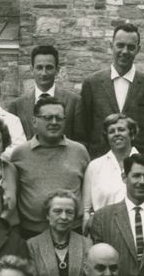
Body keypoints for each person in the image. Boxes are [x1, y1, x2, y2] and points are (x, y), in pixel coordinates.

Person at [79, 22, 144, 158]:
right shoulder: (92, 83)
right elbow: (83, 130)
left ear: (138, 49)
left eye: (131, 47)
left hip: (137, 166)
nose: (125, 51)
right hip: (100, 162)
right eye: (120, 45)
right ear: (111, 46)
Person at [10, 96, 90, 237]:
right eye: (48, 118)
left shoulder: (79, 151)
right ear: (34, 121)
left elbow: (88, 191)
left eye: (59, 118)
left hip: (72, 230)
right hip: (31, 232)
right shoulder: (20, 154)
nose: (54, 122)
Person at [28, 190, 92, 276]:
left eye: (69, 212)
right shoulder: (32, 245)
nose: (63, 217)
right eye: (57, 211)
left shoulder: (87, 245)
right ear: (47, 215)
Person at [12, 45, 83, 144]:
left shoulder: (74, 101)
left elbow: (81, 141)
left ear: (57, 70)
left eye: (49, 67)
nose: (44, 73)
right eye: (39, 68)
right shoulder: (17, 105)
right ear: (32, 69)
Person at [81, 113, 136, 230]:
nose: (116, 134)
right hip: (104, 230)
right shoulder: (94, 167)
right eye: (111, 131)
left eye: (121, 129)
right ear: (106, 137)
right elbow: (86, 209)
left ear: (132, 134)